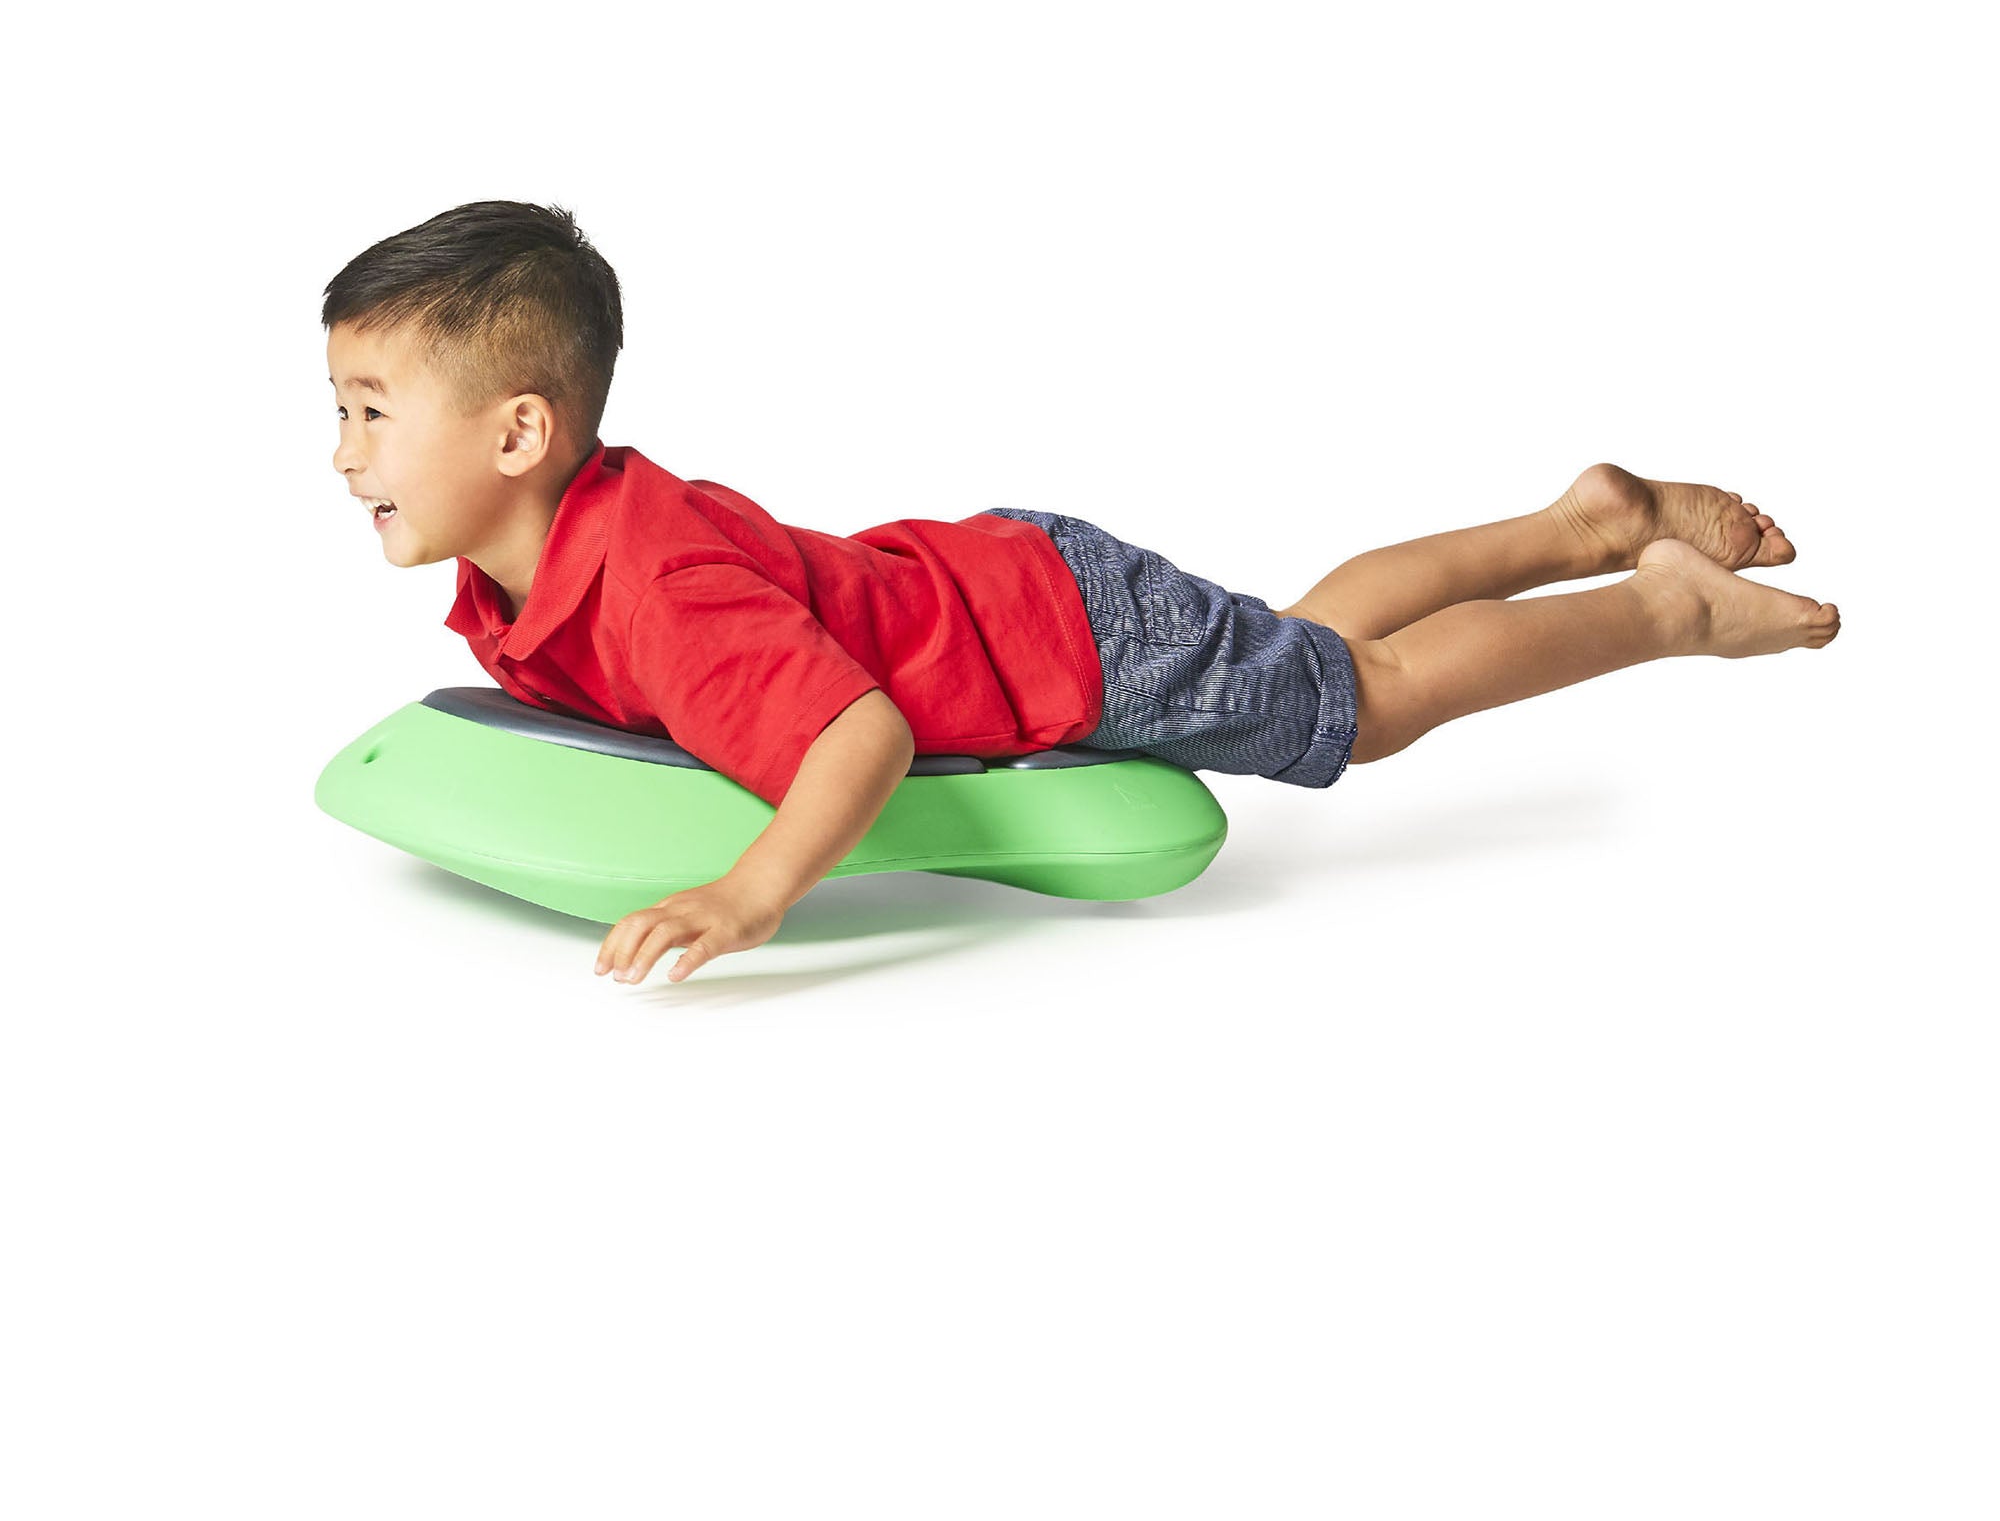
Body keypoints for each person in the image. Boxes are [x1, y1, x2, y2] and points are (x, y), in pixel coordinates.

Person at [326, 201, 1840, 988]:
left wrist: (750, 890)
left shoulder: (659, 590)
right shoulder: (533, 561)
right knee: (1313, 643)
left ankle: (1662, 609)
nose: (343, 456)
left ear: (520, 434)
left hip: (1064, 640)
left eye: (372, 414)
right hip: (1008, 588)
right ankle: (1581, 521)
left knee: (1364, 703)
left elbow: (858, 738)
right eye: (342, 410)